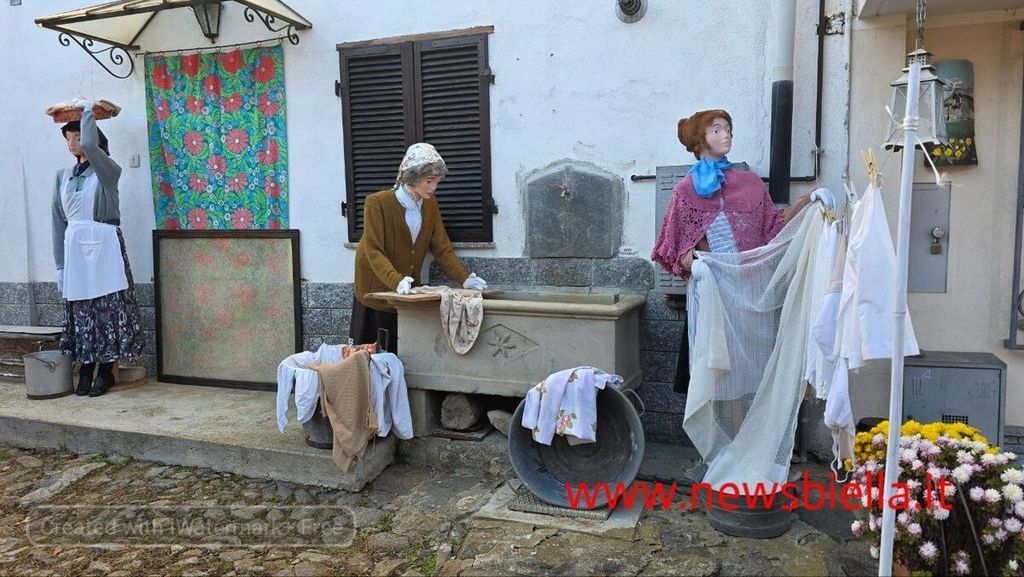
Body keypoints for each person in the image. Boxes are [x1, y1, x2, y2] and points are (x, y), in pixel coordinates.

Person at [651, 109, 826, 395]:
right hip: (712, 294)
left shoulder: (750, 183)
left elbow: (774, 226)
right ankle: (717, 424)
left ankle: (749, 423)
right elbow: (675, 249)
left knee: (751, 372)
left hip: (751, 291)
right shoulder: (685, 190)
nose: (726, 135)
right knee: (715, 373)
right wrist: (694, 262)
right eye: (716, 129)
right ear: (700, 138)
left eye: (728, 129)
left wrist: (807, 200)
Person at [350, 143, 487, 353]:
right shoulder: (377, 202)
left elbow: (441, 247)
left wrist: (465, 278)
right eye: (429, 181)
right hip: (375, 285)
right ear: (412, 176)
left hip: (406, 287)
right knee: (374, 353)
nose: (433, 188)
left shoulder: (430, 204)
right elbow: (373, 250)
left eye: (437, 182)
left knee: (403, 349)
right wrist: (395, 280)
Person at [52, 99, 144, 397]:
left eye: (78, 136)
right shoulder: (62, 177)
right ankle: (86, 368)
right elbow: (58, 222)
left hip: (104, 246)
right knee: (83, 311)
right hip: (75, 249)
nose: (72, 143)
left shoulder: (108, 171)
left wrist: (87, 111)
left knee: (107, 309)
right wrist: (60, 265)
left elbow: (91, 146)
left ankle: (105, 371)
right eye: (68, 138)